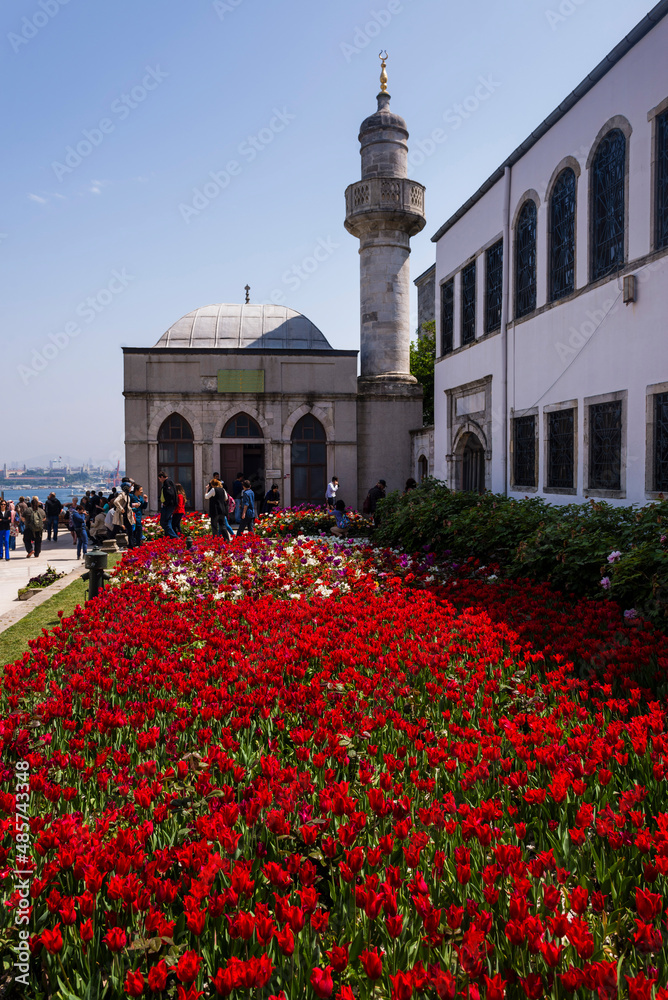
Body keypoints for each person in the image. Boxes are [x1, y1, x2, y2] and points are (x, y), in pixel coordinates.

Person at [157, 472, 178, 539]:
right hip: (169, 505)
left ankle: (174, 537)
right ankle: (169, 537)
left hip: (168, 506)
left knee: (164, 522)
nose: (160, 480)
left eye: (160, 479)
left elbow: (170, 494)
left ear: (162, 477)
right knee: (168, 522)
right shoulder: (168, 482)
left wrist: (166, 503)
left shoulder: (167, 482)